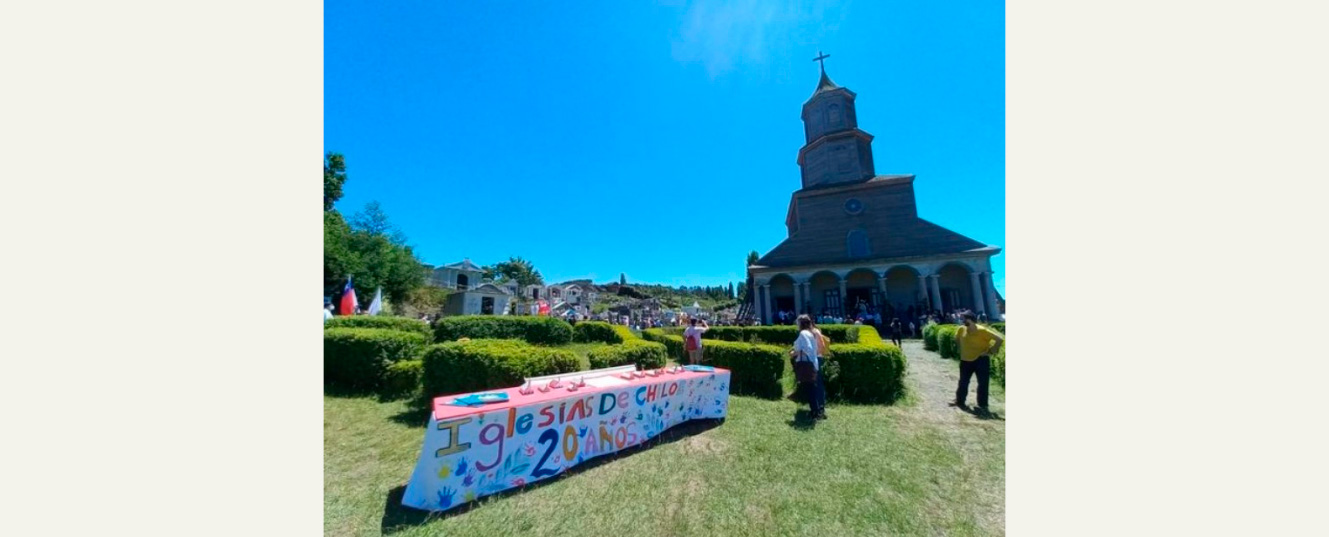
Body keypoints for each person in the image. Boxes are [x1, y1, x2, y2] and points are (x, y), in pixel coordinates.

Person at [954, 312, 1005, 413]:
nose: (962, 321)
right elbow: (957, 339)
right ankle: (960, 401)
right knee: (963, 382)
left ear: (970, 319)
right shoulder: (961, 329)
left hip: (981, 360)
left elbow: (999, 339)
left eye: (963, 319)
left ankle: (983, 404)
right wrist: (961, 350)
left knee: (983, 383)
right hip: (965, 360)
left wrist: (991, 351)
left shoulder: (982, 331)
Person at [791, 315, 827, 420]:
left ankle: (816, 411)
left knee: (812, 388)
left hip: (808, 363)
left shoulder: (805, 333)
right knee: (813, 387)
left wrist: (796, 353)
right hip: (813, 361)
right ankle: (817, 410)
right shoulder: (810, 333)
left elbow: (808, 348)